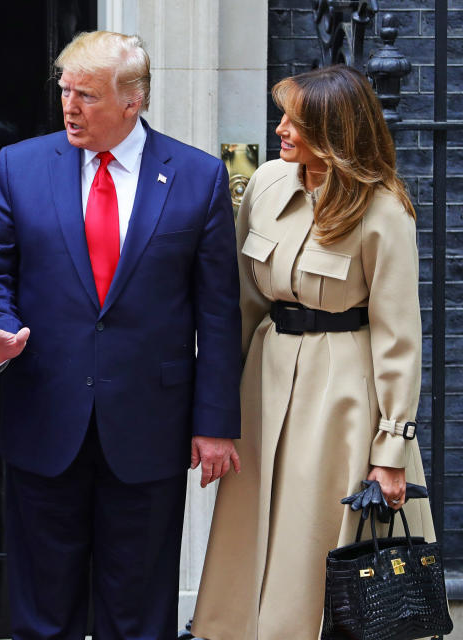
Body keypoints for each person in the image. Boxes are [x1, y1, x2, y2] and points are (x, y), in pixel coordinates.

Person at [0, 31, 242, 640]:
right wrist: (3, 331)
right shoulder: (20, 165)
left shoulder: (198, 177)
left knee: (138, 613)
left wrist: (215, 422)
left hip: (150, 422)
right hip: (45, 412)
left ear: (132, 100)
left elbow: (219, 311)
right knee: (42, 612)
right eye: (64, 90)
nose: (68, 106)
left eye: (86, 95)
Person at [191, 64, 436, 640]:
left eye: (295, 122)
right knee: (250, 530)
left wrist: (391, 449)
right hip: (266, 378)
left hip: (343, 393)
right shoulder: (268, 182)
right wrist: (221, 403)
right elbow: (246, 303)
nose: (280, 129)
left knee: (313, 537)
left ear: (333, 130)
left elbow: (399, 335)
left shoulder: (383, 209)